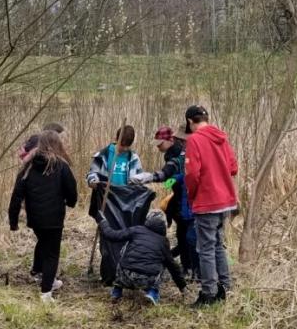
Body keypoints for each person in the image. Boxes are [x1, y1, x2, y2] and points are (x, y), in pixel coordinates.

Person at [8, 129, 78, 303]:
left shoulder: (28, 167)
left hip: (36, 219)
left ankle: (39, 272)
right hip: (54, 218)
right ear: (57, 145)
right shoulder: (61, 166)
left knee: (44, 243)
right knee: (52, 253)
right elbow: (71, 189)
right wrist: (71, 202)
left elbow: (16, 195)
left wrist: (13, 221)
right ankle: (47, 291)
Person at [183, 103, 239, 307]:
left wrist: (192, 195)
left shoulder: (195, 140)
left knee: (205, 248)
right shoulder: (221, 137)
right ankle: (225, 287)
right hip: (226, 201)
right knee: (217, 245)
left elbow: (192, 174)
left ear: (190, 121)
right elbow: (233, 168)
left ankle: (209, 293)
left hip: (207, 201)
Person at [98, 210, 186, 305]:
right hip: (146, 280)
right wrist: (182, 286)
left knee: (125, 248)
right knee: (164, 261)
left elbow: (112, 235)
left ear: (148, 219)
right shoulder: (163, 241)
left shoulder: (136, 230)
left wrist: (102, 221)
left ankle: (117, 291)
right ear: (164, 225)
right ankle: (152, 293)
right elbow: (173, 266)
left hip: (125, 276)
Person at [150, 125, 196, 279]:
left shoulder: (178, 153)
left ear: (170, 140)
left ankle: (188, 267)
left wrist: (167, 180)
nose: (158, 147)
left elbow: (178, 173)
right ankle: (184, 265)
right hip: (178, 196)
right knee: (183, 234)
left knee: (186, 234)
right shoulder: (170, 153)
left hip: (185, 198)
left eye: (160, 143)